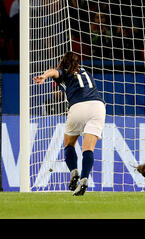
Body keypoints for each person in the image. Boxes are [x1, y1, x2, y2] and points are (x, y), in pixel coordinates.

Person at [33, 51, 106, 196]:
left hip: (78, 106)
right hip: (98, 106)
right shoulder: (85, 72)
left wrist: (44, 76)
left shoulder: (64, 72)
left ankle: (74, 172)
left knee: (69, 144)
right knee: (88, 148)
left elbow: (54, 72)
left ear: (63, 62)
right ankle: (84, 179)